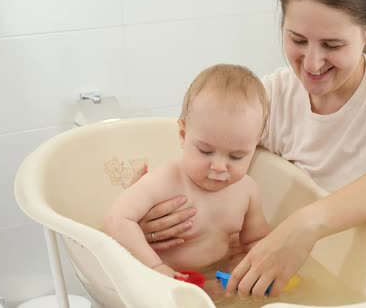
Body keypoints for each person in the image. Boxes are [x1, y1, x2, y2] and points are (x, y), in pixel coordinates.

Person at [137, 0, 366, 297]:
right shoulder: (273, 96)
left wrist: (305, 226)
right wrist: (161, 213)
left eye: (332, 45)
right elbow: (201, 163)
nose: (312, 62)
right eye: (298, 40)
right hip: (299, 277)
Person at [103, 64, 271, 278]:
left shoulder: (247, 191)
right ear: (183, 134)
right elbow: (116, 220)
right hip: (161, 280)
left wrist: (249, 266)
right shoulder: (165, 181)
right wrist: (156, 268)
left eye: (236, 156)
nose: (219, 166)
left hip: (215, 277)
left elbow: (256, 240)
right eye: (205, 151)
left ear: (254, 146)